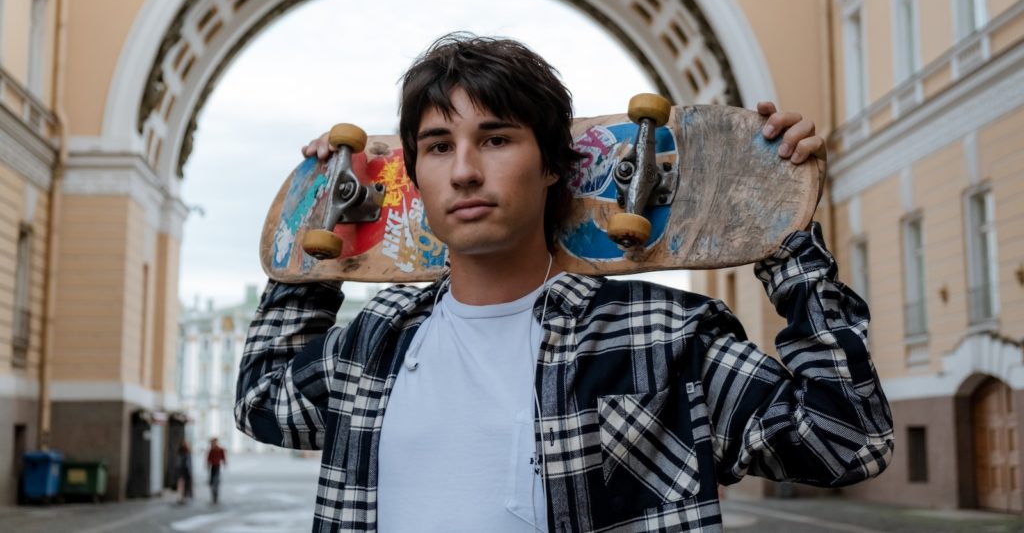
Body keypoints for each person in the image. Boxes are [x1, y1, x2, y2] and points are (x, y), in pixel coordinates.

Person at [236, 34, 893, 532]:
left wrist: (783, 232)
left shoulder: (659, 339)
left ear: (553, 164)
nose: (463, 170)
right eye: (437, 146)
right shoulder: (375, 342)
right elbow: (262, 399)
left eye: (495, 140)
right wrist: (316, 224)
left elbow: (845, 440)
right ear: (415, 176)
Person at [206, 437, 227, 504]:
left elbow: (223, 457)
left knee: (216, 482)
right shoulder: (211, 450)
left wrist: (225, 463)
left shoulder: (220, 449)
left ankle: (216, 497)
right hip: (213, 467)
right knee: (212, 482)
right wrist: (207, 466)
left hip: (217, 467)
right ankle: (213, 497)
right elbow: (208, 459)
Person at [175, 440, 193, 505]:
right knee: (180, 484)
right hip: (181, 471)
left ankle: (183, 497)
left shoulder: (188, 452)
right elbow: (178, 462)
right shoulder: (180, 452)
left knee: (185, 485)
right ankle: (180, 497)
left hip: (186, 471)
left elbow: (189, 463)